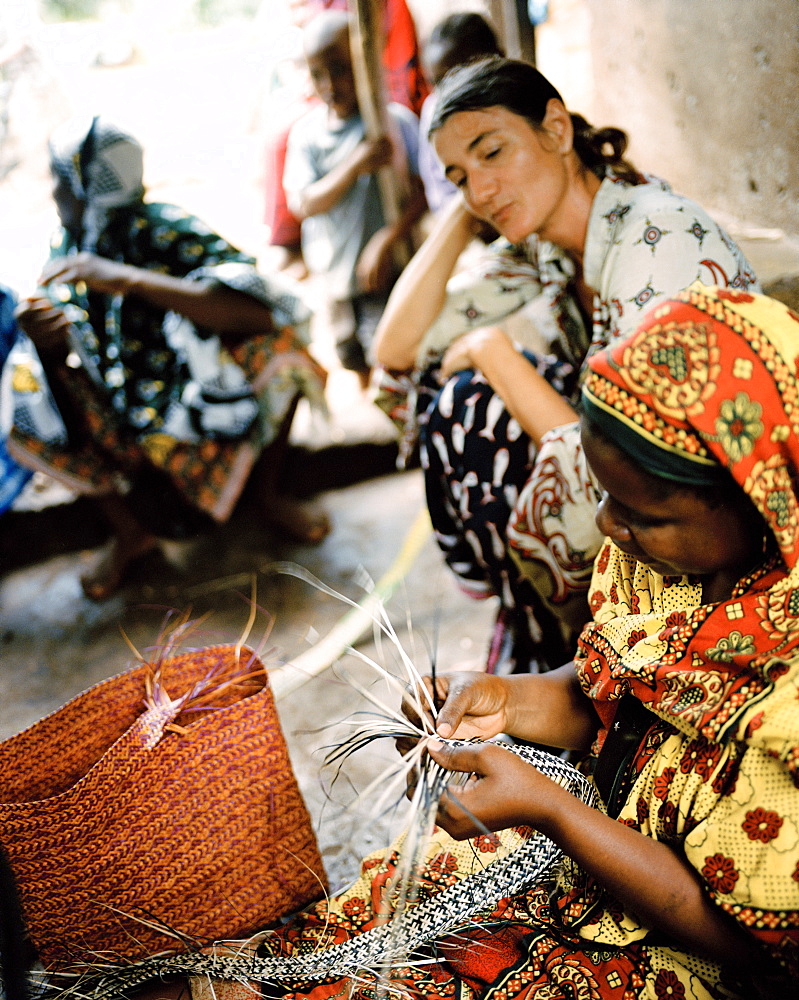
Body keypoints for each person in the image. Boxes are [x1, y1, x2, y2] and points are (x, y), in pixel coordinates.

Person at [118, 285, 799, 999]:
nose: (606, 526)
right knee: (317, 947)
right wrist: (505, 699)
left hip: (684, 953)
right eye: (603, 495)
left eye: (639, 513)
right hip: (586, 846)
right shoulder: (669, 566)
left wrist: (552, 810)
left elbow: (738, 939)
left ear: (763, 495)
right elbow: (604, 695)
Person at [372, 56, 759, 673]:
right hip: (631, 469)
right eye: (459, 175)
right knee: (462, 403)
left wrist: (492, 351)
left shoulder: (655, 236)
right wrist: (462, 207)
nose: (480, 189)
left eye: (492, 152)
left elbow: (633, 456)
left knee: (484, 391)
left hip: (709, 507)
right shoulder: (549, 249)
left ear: (556, 130)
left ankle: (582, 661)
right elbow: (396, 351)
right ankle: (536, 630)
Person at [8, 116, 329, 601]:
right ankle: (130, 533)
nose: (54, 194)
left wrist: (127, 279)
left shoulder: (163, 229)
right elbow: (64, 343)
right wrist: (45, 338)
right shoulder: (68, 244)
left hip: (190, 395)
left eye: (60, 181)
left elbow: (257, 313)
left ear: (87, 184)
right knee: (22, 397)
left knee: (284, 351)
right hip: (120, 408)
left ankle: (267, 497)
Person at [283, 9, 427, 387]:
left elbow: (422, 192)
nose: (330, 84)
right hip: (333, 277)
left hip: (385, 272)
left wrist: (388, 238)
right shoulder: (307, 135)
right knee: (350, 356)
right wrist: (354, 165)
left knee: (390, 354)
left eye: (341, 70)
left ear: (366, 65)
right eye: (318, 74)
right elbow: (304, 203)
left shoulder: (392, 123)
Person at [417, 12, 503, 216]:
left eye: (461, 77)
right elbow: (440, 195)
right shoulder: (434, 115)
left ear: (498, 57)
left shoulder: (516, 98)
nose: (452, 93)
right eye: (439, 83)